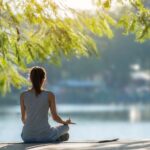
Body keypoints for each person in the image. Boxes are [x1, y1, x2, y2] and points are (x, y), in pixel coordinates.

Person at [20, 66, 74, 143]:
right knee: (66, 128)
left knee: (25, 130)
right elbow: (55, 117)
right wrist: (65, 122)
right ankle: (56, 138)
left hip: (27, 137)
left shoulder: (23, 95)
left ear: (30, 79)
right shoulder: (49, 95)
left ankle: (55, 137)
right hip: (45, 136)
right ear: (43, 79)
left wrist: (31, 127)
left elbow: (23, 119)